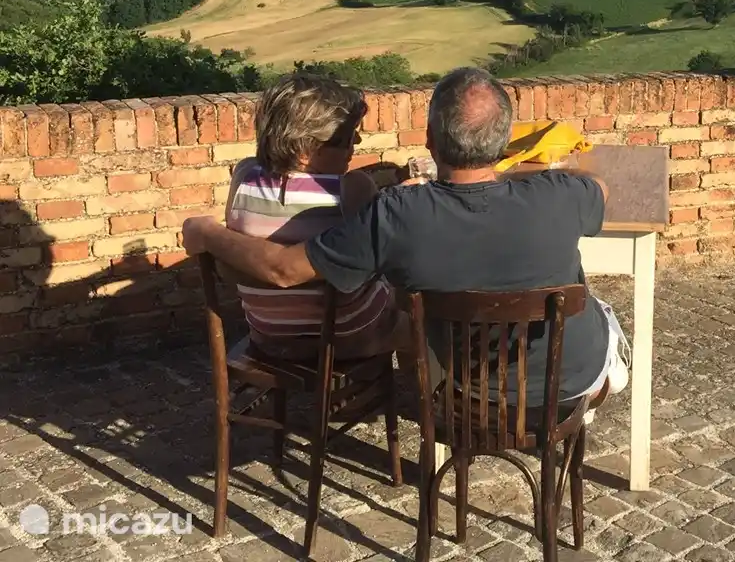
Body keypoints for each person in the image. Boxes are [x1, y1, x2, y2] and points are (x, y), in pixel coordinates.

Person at [183, 66, 628, 411]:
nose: (355, 143)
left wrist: (205, 230)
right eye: (347, 139)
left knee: (418, 304)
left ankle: (440, 401)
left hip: (461, 382)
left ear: (430, 140)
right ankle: (592, 387)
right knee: (597, 310)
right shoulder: (563, 195)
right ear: (503, 141)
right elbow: (601, 189)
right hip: (572, 384)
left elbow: (286, 265)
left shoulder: (391, 213)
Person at [221, 73, 407, 359]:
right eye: (346, 138)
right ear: (306, 151)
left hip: (269, 337)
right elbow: (385, 259)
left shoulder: (244, 176)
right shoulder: (352, 189)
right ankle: (419, 384)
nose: (357, 141)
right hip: (346, 338)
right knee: (419, 313)